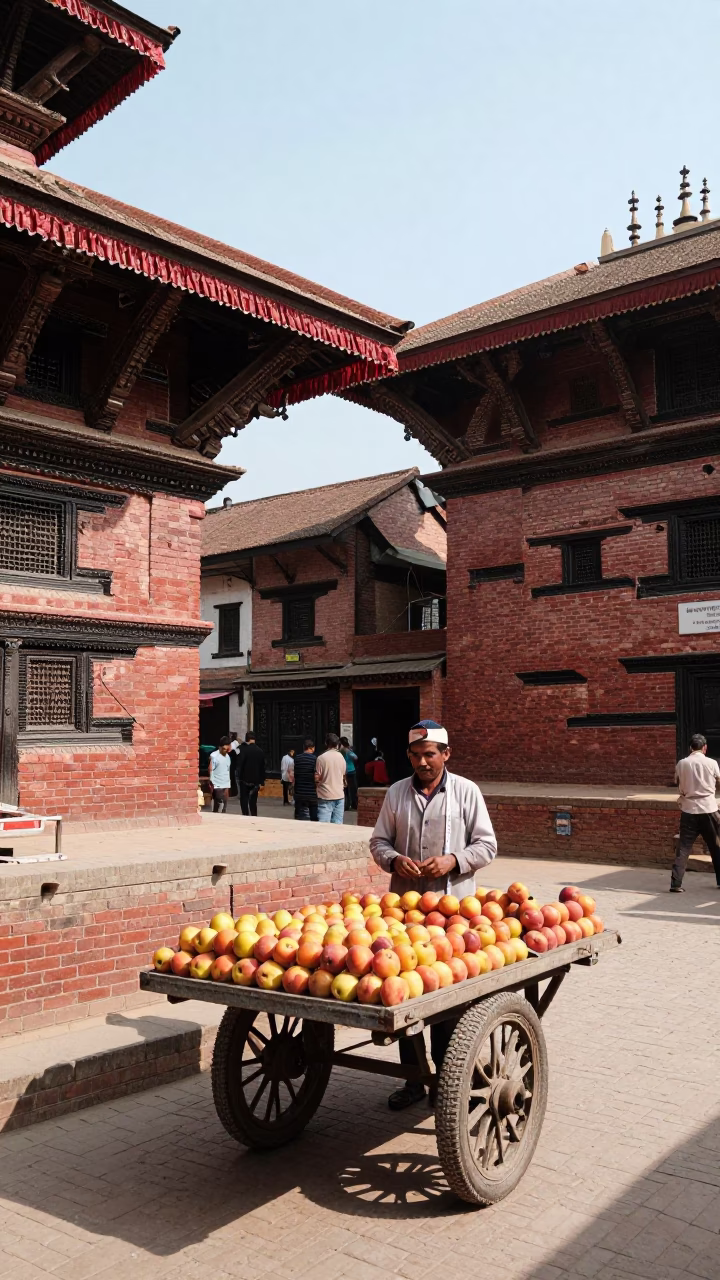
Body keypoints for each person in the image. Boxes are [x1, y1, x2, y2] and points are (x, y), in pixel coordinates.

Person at [370, 719, 497, 1109]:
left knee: (446, 998)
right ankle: (413, 1081)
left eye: (430, 754)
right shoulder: (396, 793)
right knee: (404, 996)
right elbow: (378, 842)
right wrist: (393, 860)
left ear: (446, 755)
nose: (423, 762)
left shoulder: (466, 792)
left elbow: (487, 845)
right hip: (405, 916)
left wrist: (454, 861)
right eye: (416, 755)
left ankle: (447, 1079)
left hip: (453, 915)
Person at [671, 733, 720, 891]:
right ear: (704, 747)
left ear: (690, 748)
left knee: (684, 848)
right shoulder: (712, 763)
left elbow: (676, 781)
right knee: (716, 846)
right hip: (709, 808)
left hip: (689, 809)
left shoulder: (682, 763)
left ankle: (676, 884)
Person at [315, 733, 347, 823]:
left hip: (325, 795)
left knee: (324, 826)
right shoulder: (341, 757)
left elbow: (318, 777)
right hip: (339, 795)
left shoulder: (321, 758)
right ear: (337, 744)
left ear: (326, 743)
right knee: (337, 825)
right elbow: (343, 775)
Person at [236, 731, 266, 817]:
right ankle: (254, 815)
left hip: (244, 779)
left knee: (244, 799)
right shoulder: (260, 751)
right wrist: (262, 782)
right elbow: (262, 767)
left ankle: (245, 814)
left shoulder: (242, 749)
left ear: (246, 739)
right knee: (253, 800)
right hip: (256, 780)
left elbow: (239, 764)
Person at [289, 739, 318, 821]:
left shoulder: (297, 758)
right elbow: (316, 776)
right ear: (312, 748)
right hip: (312, 793)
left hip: (300, 793)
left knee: (301, 818)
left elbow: (292, 775)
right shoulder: (315, 759)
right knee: (314, 818)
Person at [208, 736, 232, 813]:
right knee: (218, 806)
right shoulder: (214, 756)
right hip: (217, 784)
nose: (230, 747)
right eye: (229, 745)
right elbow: (210, 768)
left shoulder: (227, 756)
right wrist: (211, 780)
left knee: (224, 808)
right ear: (225, 745)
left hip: (226, 783)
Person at [340, 737, 358, 810]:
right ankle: (353, 804)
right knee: (352, 789)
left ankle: (346, 805)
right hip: (351, 771)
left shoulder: (341, 750)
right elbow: (355, 757)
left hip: (344, 771)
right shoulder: (347, 750)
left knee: (345, 789)